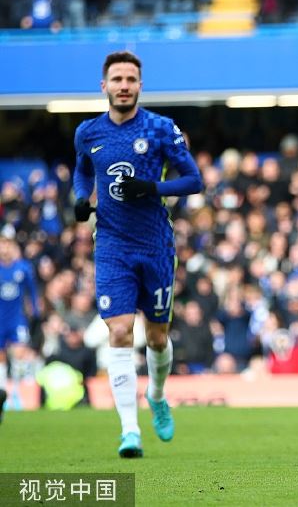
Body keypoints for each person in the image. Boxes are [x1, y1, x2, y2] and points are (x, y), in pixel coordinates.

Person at [72, 51, 204, 457]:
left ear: (140, 86)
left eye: (131, 79)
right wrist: (81, 197)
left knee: (158, 337)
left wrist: (152, 189)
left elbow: (194, 180)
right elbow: (82, 169)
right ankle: (129, 431)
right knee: (119, 331)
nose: (124, 86)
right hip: (112, 245)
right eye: (117, 79)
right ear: (104, 86)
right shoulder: (88, 132)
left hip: (156, 246)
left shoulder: (161, 128)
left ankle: (157, 395)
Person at [0, 230, 39, 423]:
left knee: (20, 354)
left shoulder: (23, 268)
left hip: (17, 319)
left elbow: (33, 292)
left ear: (13, 247)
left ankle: (17, 393)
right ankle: (2, 394)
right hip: (0, 319)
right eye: (1, 245)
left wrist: (36, 314)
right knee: (1, 358)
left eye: (7, 244)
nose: (4, 248)